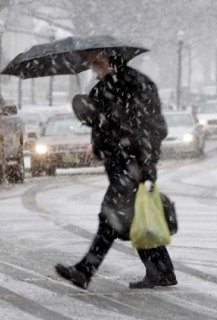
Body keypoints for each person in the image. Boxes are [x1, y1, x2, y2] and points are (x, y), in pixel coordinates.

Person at [55, 50, 177, 289]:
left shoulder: (138, 85)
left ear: (112, 60)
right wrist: (88, 112)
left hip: (133, 165)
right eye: (91, 64)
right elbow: (100, 120)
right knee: (135, 218)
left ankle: (85, 270)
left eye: (96, 62)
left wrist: (145, 163)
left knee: (109, 217)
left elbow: (155, 128)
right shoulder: (102, 88)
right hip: (119, 164)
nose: (93, 67)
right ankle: (163, 272)